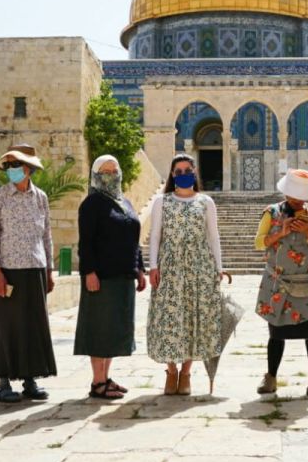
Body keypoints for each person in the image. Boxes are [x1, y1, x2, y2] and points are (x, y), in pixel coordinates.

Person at [147, 153, 225, 396]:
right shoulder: (161, 202)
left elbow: (213, 236)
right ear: (172, 175)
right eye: (178, 171)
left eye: (187, 171)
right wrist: (153, 266)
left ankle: (187, 373)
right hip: (170, 267)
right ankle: (171, 371)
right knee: (169, 317)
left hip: (199, 267)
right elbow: (155, 236)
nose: (183, 175)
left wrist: (218, 268)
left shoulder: (206, 202)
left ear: (194, 172)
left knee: (194, 317)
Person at [0, 144, 57, 403]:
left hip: (35, 268)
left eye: (16, 165)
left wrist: (49, 269)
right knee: (7, 326)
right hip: (8, 270)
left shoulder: (41, 198)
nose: (11, 170)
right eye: (8, 166)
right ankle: (4, 382)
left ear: (28, 169)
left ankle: (30, 379)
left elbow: (46, 234)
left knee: (34, 325)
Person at [75, 155, 147, 400]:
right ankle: (97, 382)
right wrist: (89, 272)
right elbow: (85, 243)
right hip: (102, 278)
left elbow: (133, 240)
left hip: (123, 277)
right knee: (100, 329)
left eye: (114, 171)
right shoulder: (92, 204)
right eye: (105, 172)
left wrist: (139, 269)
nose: (110, 176)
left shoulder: (124, 202)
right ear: (96, 176)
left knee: (114, 330)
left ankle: (106, 378)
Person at [254, 169, 308, 397]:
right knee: (276, 333)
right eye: (293, 196)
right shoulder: (272, 213)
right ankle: (271, 377)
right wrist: (281, 231)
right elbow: (259, 243)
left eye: (301, 197)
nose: (297, 200)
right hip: (278, 284)